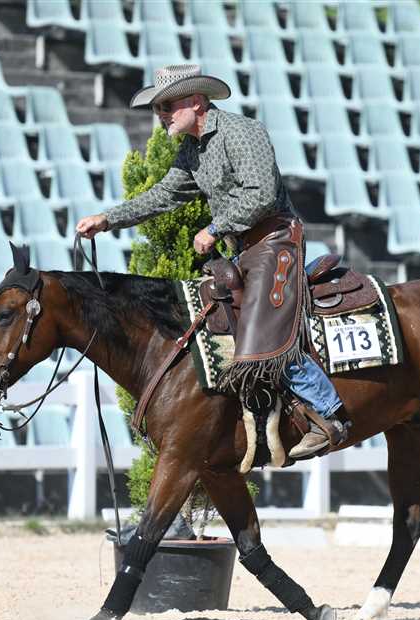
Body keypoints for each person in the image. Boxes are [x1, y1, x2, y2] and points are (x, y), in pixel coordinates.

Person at [76, 64, 349, 458]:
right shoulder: (193, 149)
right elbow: (163, 195)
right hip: (242, 251)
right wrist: (108, 219)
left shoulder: (242, 132)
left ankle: (330, 414)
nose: (161, 115)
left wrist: (215, 228)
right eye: (157, 108)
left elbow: (262, 194)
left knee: (262, 328)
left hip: (276, 241)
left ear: (196, 101)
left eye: (167, 105)